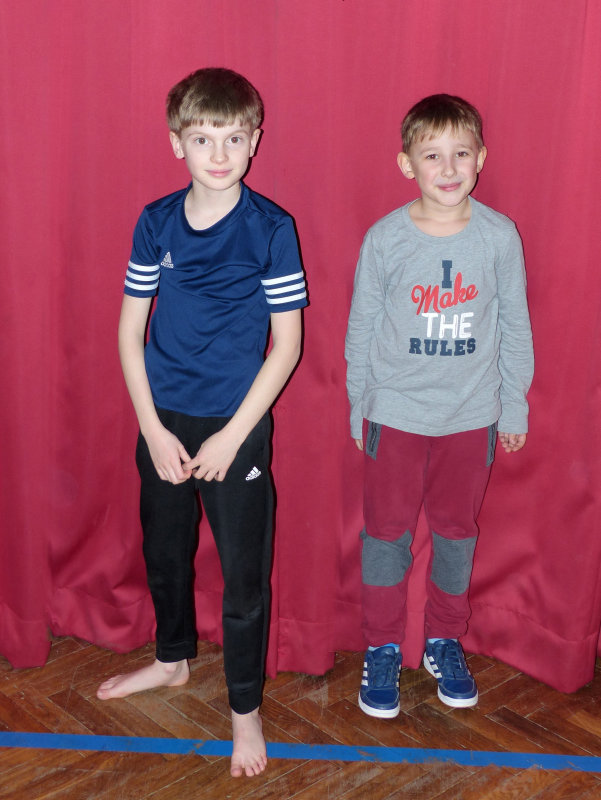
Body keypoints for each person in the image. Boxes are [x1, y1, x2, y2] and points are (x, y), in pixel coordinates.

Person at [97, 67, 307, 778]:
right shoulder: (155, 221)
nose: (219, 153)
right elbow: (129, 332)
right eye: (203, 138)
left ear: (255, 141)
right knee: (165, 554)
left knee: (244, 578)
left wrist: (232, 436)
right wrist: (153, 429)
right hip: (163, 421)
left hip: (235, 427)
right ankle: (171, 660)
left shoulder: (271, 228)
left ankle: (244, 709)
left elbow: (287, 346)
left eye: (234, 138)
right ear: (176, 143)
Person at [345, 94, 533, 718]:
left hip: (470, 418)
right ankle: (380, 646)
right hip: (395, 415)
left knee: (456, 535)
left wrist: (513, 407)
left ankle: (444, 639)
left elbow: (515, 327)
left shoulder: (499, 237)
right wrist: (359, 404)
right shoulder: (385, 239)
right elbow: (362, 326)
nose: (448, 168)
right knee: (386, 538)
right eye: (431, 155)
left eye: (461, 153)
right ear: (406, 164)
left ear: (482, 158)